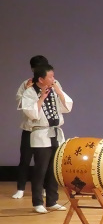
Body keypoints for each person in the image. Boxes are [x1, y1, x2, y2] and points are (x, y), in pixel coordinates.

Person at [21, 64, 72, 213]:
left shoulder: (55, 89)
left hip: (55, 134)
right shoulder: (30, 92)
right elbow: (31, 113)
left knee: (53, 169)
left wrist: (58, 91)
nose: (53, 79)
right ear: (41, 79)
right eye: (50, 77)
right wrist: (42, 96)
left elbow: (67, 107)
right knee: (40, 169)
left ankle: (52, 200)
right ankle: (37, 202)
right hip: (41, 134)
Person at [12, 55, 49, 200]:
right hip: (29, 128)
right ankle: (21, 188)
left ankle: (45, 188)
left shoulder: (53, 82)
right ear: (33, 69)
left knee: (45, 161)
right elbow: (20, 103)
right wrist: (27, 90)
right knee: (25, 158)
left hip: (45, 129)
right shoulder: (26, 83)